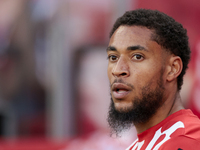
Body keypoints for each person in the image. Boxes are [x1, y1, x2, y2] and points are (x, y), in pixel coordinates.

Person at [106, 9, 200, 150]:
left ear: (172, 68)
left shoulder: (187, 141)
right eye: (113, 57)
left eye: (137, 56)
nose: (118, 70)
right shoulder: (138, 145)